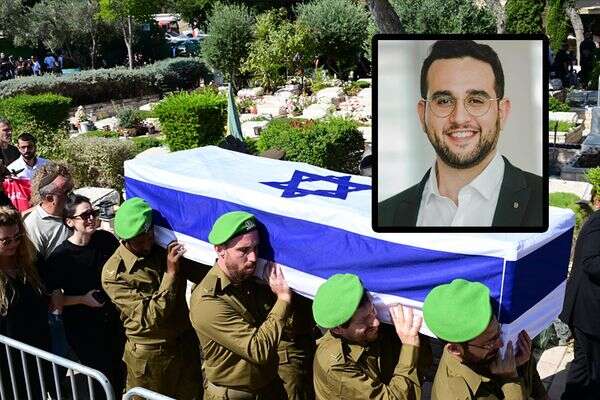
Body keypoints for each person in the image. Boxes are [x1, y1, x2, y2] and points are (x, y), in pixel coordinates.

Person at [378, 40, 543, 228]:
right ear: (422, 115)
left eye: (476, 100)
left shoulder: (545, 204)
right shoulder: (385, 216)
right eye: (444, 101)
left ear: (502, 112)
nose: (459, 118)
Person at [101, 197, 203, 399]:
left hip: (184, 346)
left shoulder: (162, 247)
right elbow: (150, 317)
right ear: (124, 240)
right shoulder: (115, 273)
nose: (147, 245)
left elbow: (201, 273)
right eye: (140, 242)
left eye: (150, 237)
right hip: (151, 356)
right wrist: (170, 273)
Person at [190, 210, 293, 400]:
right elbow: (258, 349)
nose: (253, 257)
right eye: (243, 250)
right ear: (220, 250)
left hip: (269, 386)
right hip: (234, 394)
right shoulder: (207, 301)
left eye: (256, 248)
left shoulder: (248, 278)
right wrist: (283, 299)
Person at [45, 195, 125, 399]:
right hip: (84, 328)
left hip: (114, 320)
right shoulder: (60, 257)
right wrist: (82, 299)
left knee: (119, 372)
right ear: (70, 222)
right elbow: (52, 301)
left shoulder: (105, 240)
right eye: (85, 215)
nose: (91, 218)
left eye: (93, 213)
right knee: (100, 378)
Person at [423, 278, 547, 400]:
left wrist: (520, 365)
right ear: (455, 349)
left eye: (499, 333)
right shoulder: (456, 395)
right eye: (489, 343)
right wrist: (510, 379)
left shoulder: (479, 353)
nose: (500, 344)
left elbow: (534, 384)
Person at [312, 273, 423, 400]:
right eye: (364, 321)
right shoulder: (337, 368)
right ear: (338, 329)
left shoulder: (364, 333)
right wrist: (409, 347)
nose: (376, 323)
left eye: (373, 311)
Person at [0, 206, 51, 399]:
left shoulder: (31, 263)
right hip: (7, 362)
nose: (14, 244)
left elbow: (51, 285)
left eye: (17, 237)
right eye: (6, 241)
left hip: (38, 351)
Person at [559, 203, 600, 399]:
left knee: (585, 365)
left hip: (589, 311)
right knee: (589, 367)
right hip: (588, 311)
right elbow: (591, 263)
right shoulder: (598, 222)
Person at [24, 162, 73, 260]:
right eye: (66, 192)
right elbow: (35, 265)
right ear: (50, 198)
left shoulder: (74, 210)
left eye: (71, 189)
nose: (71, 196)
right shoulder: (33, 225)